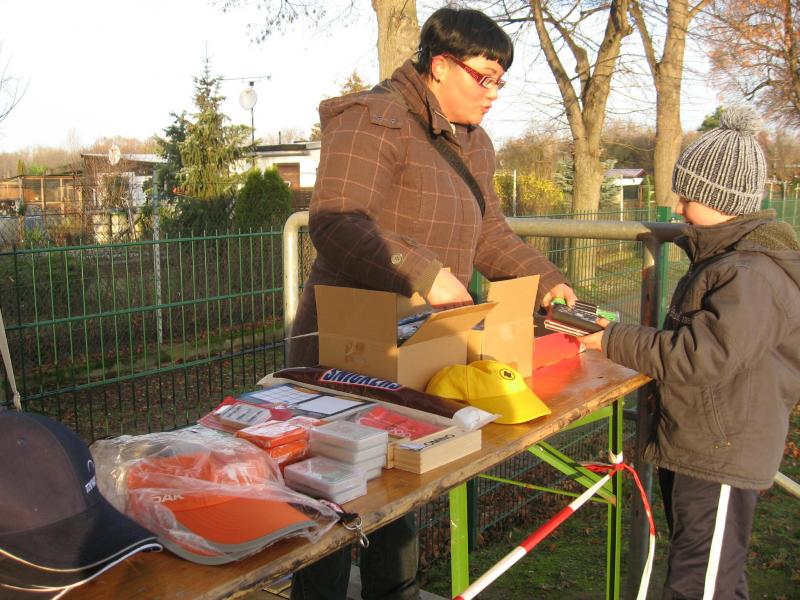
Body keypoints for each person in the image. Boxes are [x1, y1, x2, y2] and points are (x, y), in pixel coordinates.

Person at [288, 6, 576, 600]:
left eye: (500, 81)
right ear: (441, 66)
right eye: (484, 77)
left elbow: (489, 235)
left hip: (418, 350)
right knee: (332, 505)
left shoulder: (473, 142)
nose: (494, 93)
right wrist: (423, 272)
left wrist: (546, 280)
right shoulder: (374, 119)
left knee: (400, 494)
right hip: (347, 355)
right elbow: (336, 223)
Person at [581, 106, 800, 600]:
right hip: (704, 445)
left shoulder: (751, 274)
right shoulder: (728, 260)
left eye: (688, 196)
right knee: (713, 577)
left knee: (698, 583)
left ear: (721, 200)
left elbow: (702, 356)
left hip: (720, 453)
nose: (678, 206)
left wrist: (611, 338)